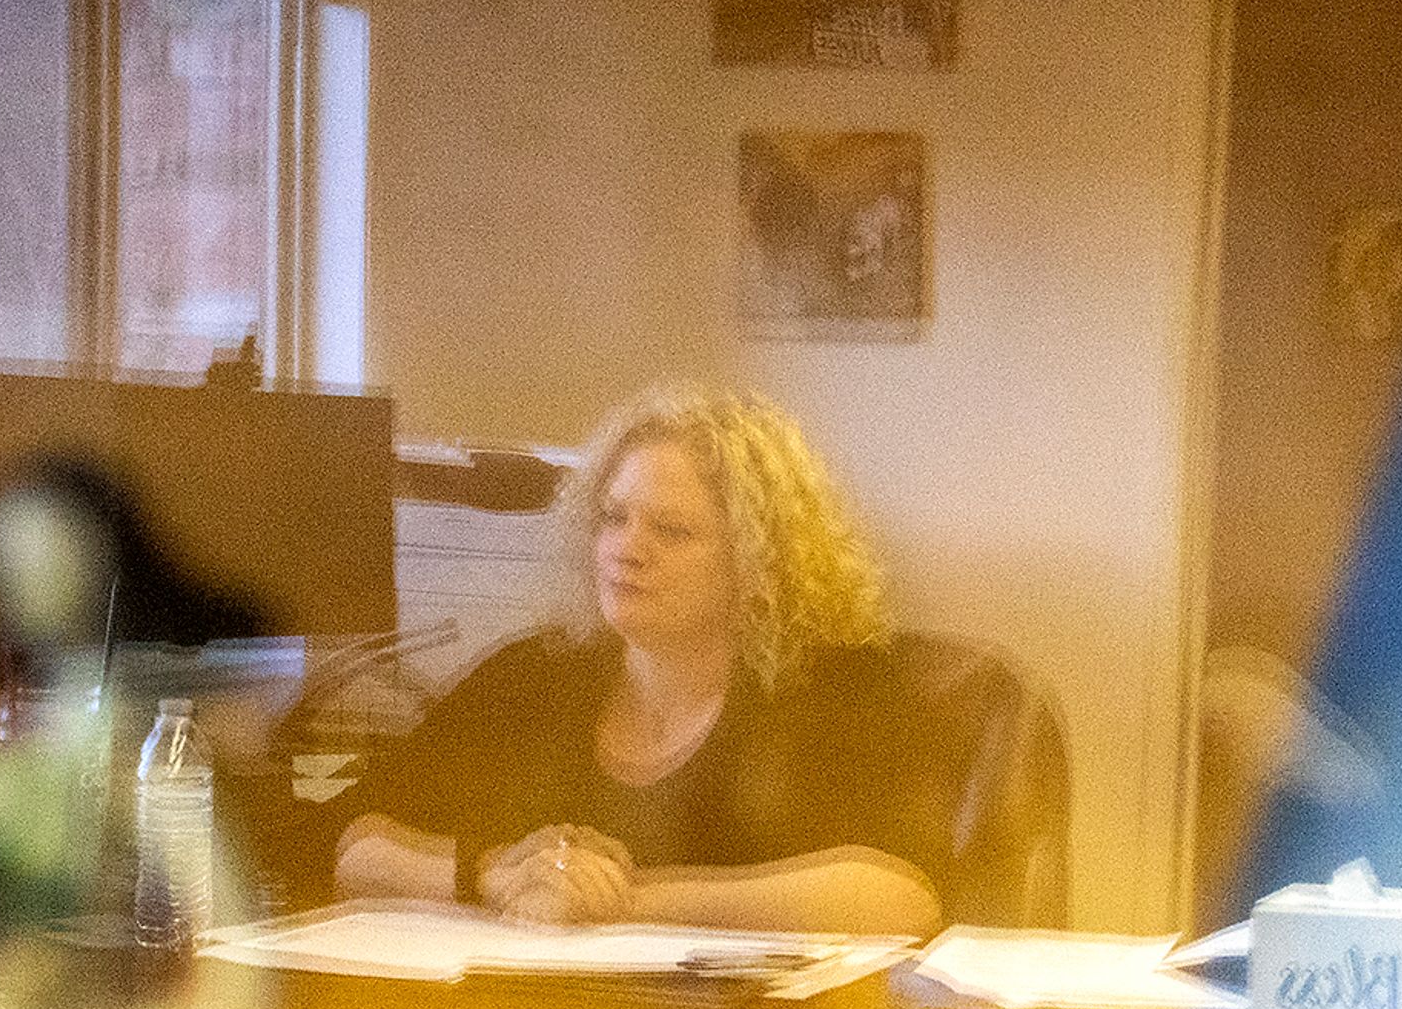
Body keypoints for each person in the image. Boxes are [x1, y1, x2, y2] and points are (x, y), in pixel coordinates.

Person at [333, 384, 946, 934]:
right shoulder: (530, 676)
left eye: (671, 531)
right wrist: (494, 877)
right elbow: (359, 849)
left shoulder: (837, 693)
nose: (626, 550)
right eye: (614, 518)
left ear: (760, 565)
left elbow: (898, 899)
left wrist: (623, 899)